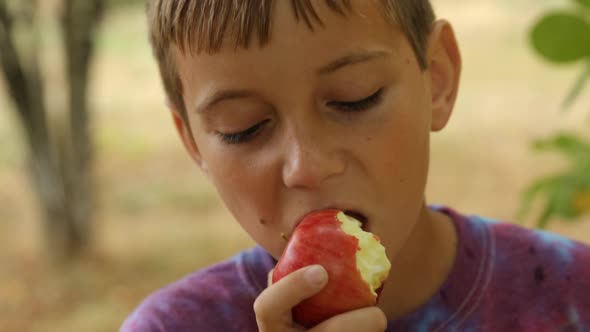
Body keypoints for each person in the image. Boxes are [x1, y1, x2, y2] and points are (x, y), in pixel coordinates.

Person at [120, 0, 590, 331]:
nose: (307, 167)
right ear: (194, 144)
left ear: (438, 81)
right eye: (243, 128)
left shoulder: (572, 295)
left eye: (355, 98)